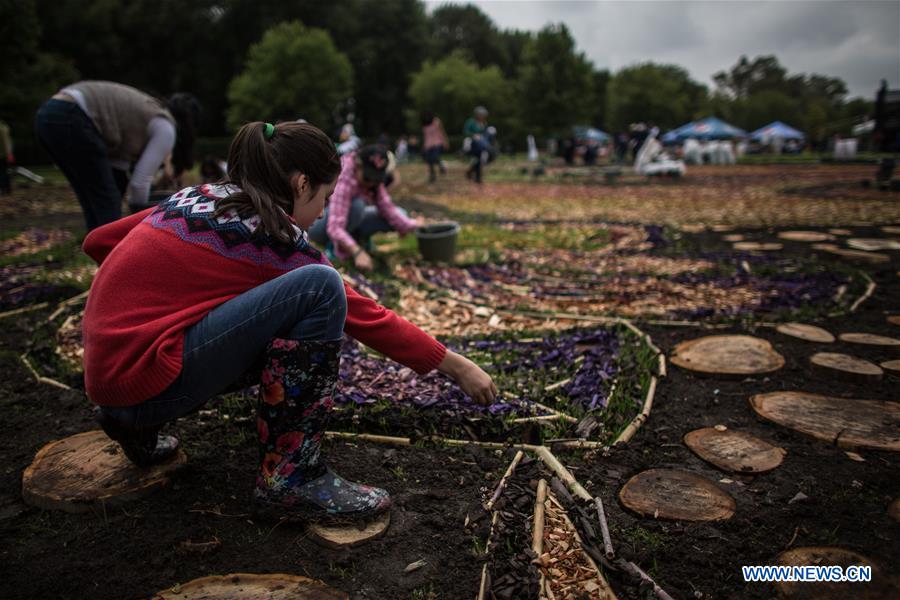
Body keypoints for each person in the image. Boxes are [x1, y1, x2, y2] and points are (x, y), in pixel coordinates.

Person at [83, 121, 497, 524]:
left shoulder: (198, 197)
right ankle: (292, 477)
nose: (321, 213)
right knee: (321, 286)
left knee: (276, 309)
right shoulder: (271, 237)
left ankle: (133, 424)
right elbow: (367, 315)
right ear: (301, 185)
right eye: (325, 197)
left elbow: (98, 241)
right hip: (145, 380)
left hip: (112, 378)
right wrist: (456, 365)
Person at [34, 81, 200, 231]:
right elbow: (139, 183)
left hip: (48, 115)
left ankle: (96, 246)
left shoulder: (142, 116)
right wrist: (144, 225)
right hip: (71, 114)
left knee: (96, 196)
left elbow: (120, 173)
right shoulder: (166, 126)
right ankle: (110, 254)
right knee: (107, 198)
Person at [308, 144, 418, 271]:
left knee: (401, 213)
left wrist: (414, 226)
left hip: (347, 220)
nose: (371, 183)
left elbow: (388, 208)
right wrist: (357, 252)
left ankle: (356, 239)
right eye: (367, 178)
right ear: (358, 166)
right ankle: (335, 247)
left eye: (375, 179)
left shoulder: (373, 184)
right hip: (319, 225)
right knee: (357, 206)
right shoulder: (344, 177)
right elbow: (335, 227)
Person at [463, 106, 491, 183]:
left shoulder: (484, 123)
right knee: (480, 159)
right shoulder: (471, 122)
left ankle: (472, 173)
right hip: (473, 145)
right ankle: (477, 177)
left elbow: (486, 135)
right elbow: (466, 133)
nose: (482, 117)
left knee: (481, 160)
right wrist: (474, 135)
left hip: (482, 145)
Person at [421, 111, 448, 183]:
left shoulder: (436, 121)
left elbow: (442, 131)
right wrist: (424, 146)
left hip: (437, 143)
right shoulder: (424, 125)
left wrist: (445, 141)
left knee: (435, 157)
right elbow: (425, 136)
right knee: (430, 161)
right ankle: (432, 175)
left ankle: (442, 165)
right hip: (428, 145)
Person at [0, 120, 12, 195]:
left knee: (3, 171)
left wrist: (8, 153)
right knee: (4, 171)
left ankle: (5, 188)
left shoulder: (2, 129)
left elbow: (5, 142)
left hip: (2, 154)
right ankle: (6, 188)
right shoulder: (3, 128)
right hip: (4, 153)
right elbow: (7, 142)